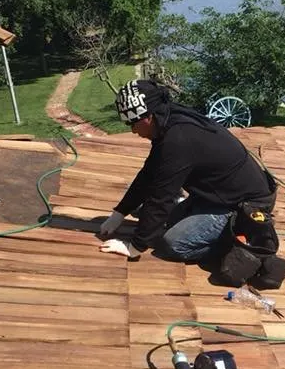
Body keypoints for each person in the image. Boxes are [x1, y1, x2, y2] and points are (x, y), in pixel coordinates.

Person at [99, 79, 275, 262]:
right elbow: (149, 175)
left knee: (172, 244)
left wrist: (134, 247)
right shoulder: (168, 120)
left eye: (132, 124)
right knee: (156, 219)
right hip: (216, 196)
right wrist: (119, 213)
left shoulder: (178, 139)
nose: (133, 131)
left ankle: (235, 244)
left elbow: (161, 197)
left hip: (241, 206)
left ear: (147, 117)